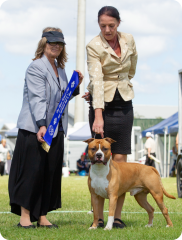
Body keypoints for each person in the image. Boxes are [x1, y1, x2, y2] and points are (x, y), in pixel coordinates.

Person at [8, 27, 83, 229]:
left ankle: (42, 216)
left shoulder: (60, 69)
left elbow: (61, 99)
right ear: (43, 44)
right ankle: (24, 217)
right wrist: (42, 125)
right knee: (31, 173)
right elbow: (37, 99)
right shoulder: (36, 68)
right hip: (35, 129)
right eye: (52, 42)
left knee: (49, 174)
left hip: (56, 129)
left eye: (60, 43)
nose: (56, 46)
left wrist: (75, 88)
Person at [82, 6, 137, 228]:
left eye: (111, 26)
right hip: (101, 105)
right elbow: (96, 78)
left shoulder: (129, 40)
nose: (107, 30)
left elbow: (131, 69)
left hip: (124, 104)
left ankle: (117, 218)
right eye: (103, 26)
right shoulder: (93, 45)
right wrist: (98, 115)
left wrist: (120, 83)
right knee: (99, 159)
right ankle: (98, 218)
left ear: (118, 23)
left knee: (120, 163)